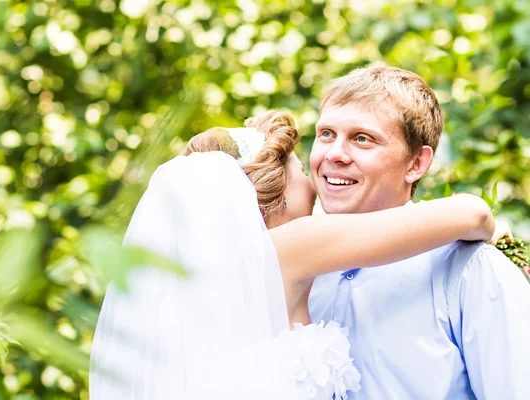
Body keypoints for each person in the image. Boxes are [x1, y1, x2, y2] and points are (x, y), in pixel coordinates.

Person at [89, 110, 500, 400]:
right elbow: (471, 212)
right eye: (301, 170)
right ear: (280, 189)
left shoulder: (205, 281)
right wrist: (493, 231)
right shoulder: (291, 247)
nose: (315, 179)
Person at [308, 65, 530, 399]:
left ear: (416, 164)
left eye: (362, 138)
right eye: (326, 134)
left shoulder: (472, 270)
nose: (334, 154)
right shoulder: (296, 273)